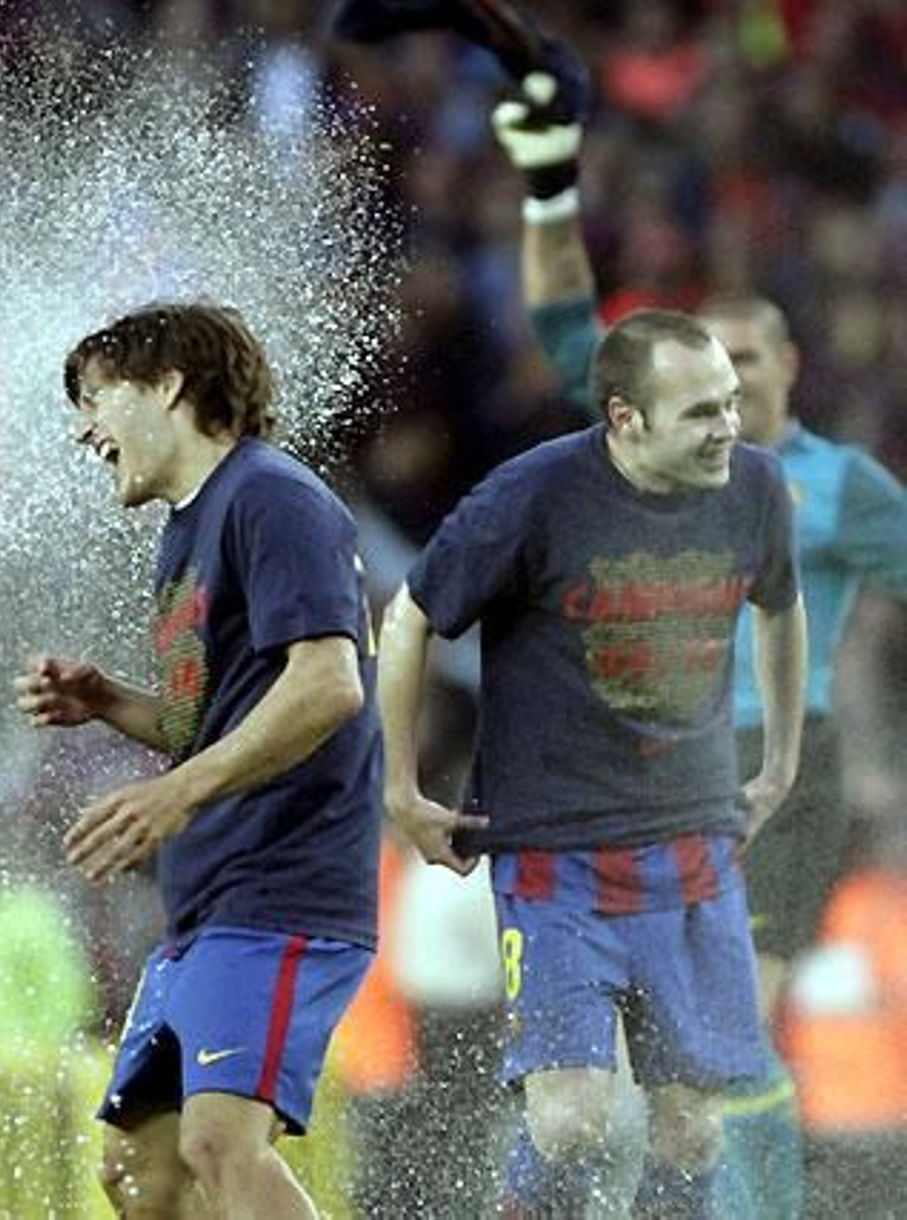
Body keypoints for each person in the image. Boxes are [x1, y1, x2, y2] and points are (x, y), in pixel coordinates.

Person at [492, 70, 907, 1217]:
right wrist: (542, 190)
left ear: (786, 368)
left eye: (752, 358)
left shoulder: (840, 488)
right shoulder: (645, 459)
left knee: (732, 1033)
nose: (730, 376)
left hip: (780, 766)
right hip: (637, 769)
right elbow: (565, 324)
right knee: (645, 1061)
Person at [377, 306, 809, 1216]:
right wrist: (402, 788)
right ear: (624, 418)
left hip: (692, 852)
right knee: (572, 1119)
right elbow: (411, 615)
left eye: (730, 403)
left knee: (693, 1128)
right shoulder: (531, 496)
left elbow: (780, 604)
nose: (728, 427)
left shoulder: (756, 488)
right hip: (556, 859)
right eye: (700, 411)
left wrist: (779, 761)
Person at [14, 302, 381, 1219]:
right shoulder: (189, 528)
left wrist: (178, 792)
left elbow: (331, 684)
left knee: (219, 1144)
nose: (84, 429)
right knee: (142, 1175)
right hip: (213, 897)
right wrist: (109, 704)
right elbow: (225, 722)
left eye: (98, 398)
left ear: (171, 386)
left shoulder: (270, 495)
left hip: (282, 886)